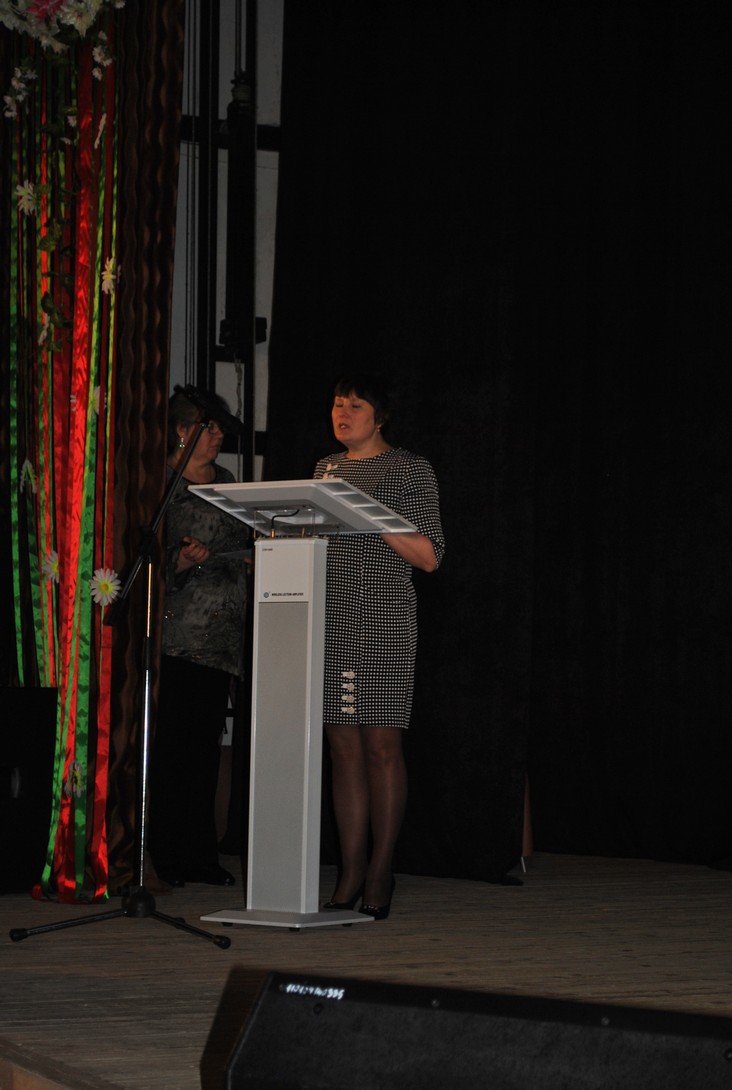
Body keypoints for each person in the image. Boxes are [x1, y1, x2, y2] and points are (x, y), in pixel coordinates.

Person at [314, 375, 445, 919]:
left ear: (380, 416)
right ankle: (349, 870)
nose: (342, 413)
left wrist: (365, 513)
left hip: (382, 620)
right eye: (336, 404)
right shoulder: (325, 469)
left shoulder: (409, 468)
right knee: (341, 748)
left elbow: (429, 556)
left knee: (380, 748)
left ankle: (380, 869)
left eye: (355, 405)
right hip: (329, 618)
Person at [147, 388, 250, 887]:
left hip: (222, 637)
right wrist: (181, 561)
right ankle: (167, 854)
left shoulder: (228, 482)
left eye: (220, 428)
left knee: (206, 748)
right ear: (182, 430)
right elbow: (145, 557)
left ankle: (201, 855)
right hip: (176, 635)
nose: (218, 436)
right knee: (173, 748)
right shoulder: (161, 484)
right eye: (209, 427)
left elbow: (242, 541)